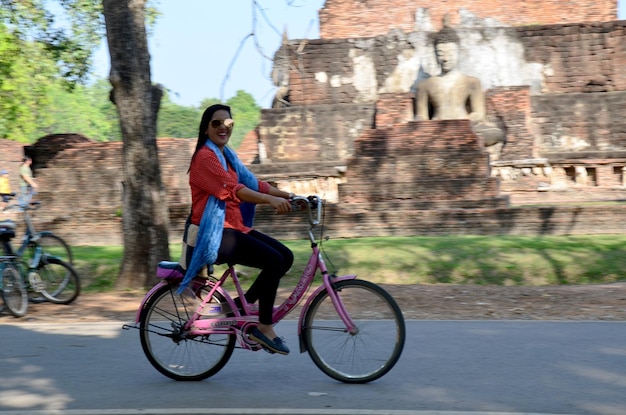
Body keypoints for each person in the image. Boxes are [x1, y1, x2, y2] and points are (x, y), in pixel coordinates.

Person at [178, 104, 294, 355]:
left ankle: (244, 306)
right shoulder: (205, 158)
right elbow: (234, 190)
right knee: (273, 260)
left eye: (228, 124)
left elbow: (254, 184)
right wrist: (271, 201)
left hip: (233, 228)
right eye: (216, 123)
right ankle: (264, 327)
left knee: (286, 257)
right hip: (214, 234)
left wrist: (291, 196)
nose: (223, 128)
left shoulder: (228, 157)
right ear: (206, 128)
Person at [414, 22, 504, 149]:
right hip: (436, 129)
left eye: (450, 53)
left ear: (458, 52)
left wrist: (464, 122)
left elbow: (479, 113)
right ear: (435, 55)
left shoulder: (472, 82)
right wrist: (419, 123)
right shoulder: (425, 85)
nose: (445, 58)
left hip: (464, 127)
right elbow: (421, 116)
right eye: (440, 54)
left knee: (494, 133)